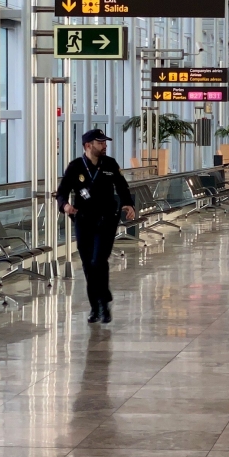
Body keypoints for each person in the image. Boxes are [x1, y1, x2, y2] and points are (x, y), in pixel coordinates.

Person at [56, 129, 136, 324]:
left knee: (98, 261)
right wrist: (65, 205)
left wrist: (128, 203)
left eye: (104, 142)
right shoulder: (75, 167)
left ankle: (103, 305)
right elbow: (61, 192)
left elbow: (122, 185)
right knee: (87, 264)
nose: (104, 145)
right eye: (100, 143)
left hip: (107, 219)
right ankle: (96, 305)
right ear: (88, 145)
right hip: (84, 221)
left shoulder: (109, 164)